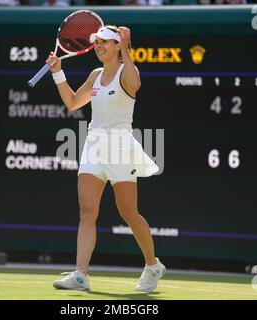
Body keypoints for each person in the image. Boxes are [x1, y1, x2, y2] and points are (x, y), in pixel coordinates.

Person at [48, 26, 166, 293]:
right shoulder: (95, 75)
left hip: (121, 148)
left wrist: (127, 46)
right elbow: (73, 102)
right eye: (97, 42)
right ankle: (81, 274)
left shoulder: (127, 74)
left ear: (117, 47)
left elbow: (135, 84)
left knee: (129, 213)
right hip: (94, 146)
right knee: (87, 212)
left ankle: (152, 265)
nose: (99, 46)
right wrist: (57, 73)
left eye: (105, 42)